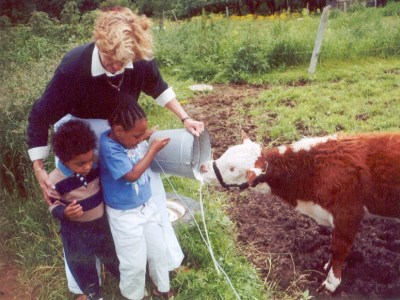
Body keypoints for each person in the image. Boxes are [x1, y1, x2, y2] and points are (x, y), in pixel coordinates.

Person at [27, 5, 203, 294]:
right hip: (80, 134)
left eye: (122, 61)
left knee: (149, 191)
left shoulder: (141, 60)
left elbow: (158, 87)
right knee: (84, 203)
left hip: (121, 130)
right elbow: (39, 116)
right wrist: (38, 170)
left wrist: (185, 117)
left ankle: (163, 262)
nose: (114, 66)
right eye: (109, 59)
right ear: (99, 42)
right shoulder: (73, 66)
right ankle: (86, 283)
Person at [99, 99, 173, 300]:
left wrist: (145, 136)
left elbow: (137, 140)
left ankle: (162, 288)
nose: (141, 139)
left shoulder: (127, 139)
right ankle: (134, 296)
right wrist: (152, 149)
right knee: (134, 262)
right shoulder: (108, 147)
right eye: (137, 136)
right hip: (125, 215)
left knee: (158, 250)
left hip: (146, 206)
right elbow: (130, 175)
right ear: (119, 130)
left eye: (143, 135)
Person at [49, 119, 120, 300]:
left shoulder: (94, 166)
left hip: (101, 227)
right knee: (84, 268)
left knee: (114, 258)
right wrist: (65, 212)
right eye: (80, 164)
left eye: (89, 160)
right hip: (76, 234)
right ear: (64, 160)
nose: (87, 166)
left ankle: (127, 285)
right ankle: (93, 295)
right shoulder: (54, 179)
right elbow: (53, 205)